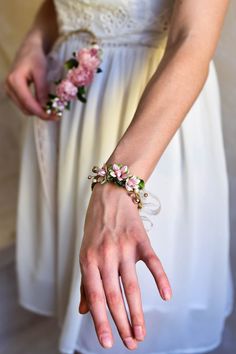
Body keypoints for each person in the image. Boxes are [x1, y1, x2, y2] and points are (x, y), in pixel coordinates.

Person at [5, 0, 234, 353]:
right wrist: (37, 39)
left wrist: (119, 184)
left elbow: (192, 39)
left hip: (149, 126)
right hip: (71, 112)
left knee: (135, 315)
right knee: (84, 301)